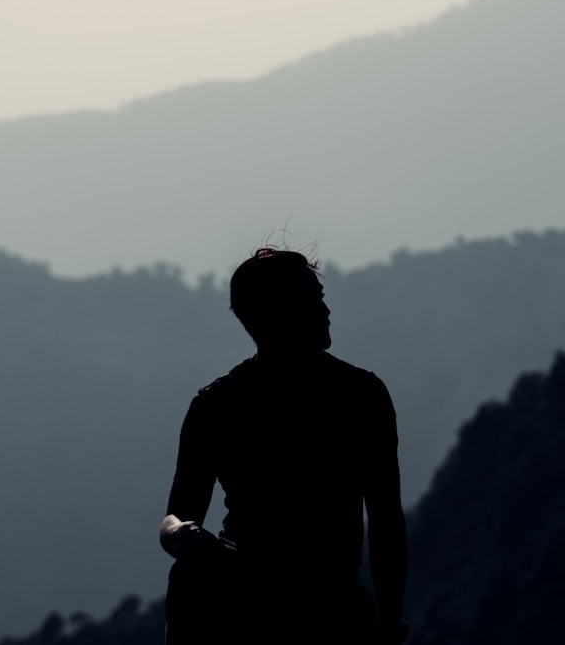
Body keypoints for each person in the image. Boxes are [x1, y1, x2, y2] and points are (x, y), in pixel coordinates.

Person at [160, 248, 408, 644]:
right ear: (268, 317)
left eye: (321, 298)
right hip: (242, 594)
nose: (325, 311)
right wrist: (182, 533)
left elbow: (386, 521)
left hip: (328, 603)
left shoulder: (362, 396)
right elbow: (175, 516)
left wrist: (391, 622)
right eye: (310, 302)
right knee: (190, 577)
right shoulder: (216, 406)